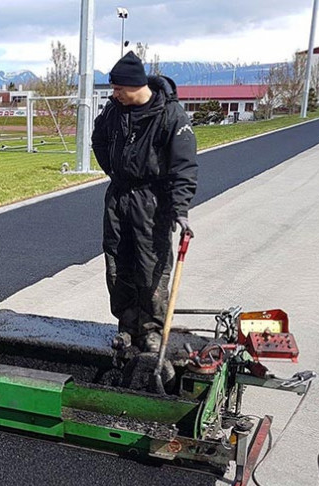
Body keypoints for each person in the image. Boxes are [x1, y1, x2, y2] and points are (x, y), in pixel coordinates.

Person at [91, 51, 198, 353]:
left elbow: (184, 166)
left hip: (153, 202)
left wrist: (180, 209)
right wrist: (113, 169)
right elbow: (98, 140)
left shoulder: (171, 116)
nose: (114, 94)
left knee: (150, 267)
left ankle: (151, 329)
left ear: (135, 85)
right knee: (117, 264)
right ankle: (127, 326)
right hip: (118, 198)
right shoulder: (113, 112)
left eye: (118, 89)